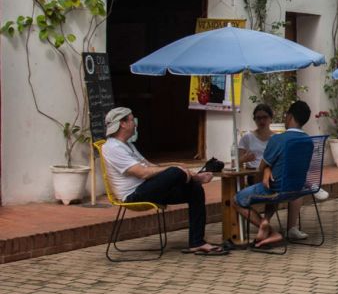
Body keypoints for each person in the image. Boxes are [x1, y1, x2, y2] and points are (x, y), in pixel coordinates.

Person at [100, 107, 224, 256]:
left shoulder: (128, 145)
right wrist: (176, 169)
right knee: (176, 172)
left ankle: (197, 242)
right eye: (132, 120)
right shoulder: (112, 147)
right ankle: (197, 177)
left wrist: (178, 165)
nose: (135, 124)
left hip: (148, 189)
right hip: (134, 194)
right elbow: (143, 173)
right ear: (123, 124)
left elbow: (151, 166)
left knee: (195, 190)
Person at [234, 101, 313, 248]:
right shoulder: (309, 140)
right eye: (258, 118)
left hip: (275, 187)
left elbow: (261, 167)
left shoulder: (277, 139)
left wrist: (266, 170)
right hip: (296, 187)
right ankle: (274, 225)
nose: (262, 121)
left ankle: (267, 227)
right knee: (273, 187)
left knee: (236, 200)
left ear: (289, 117)